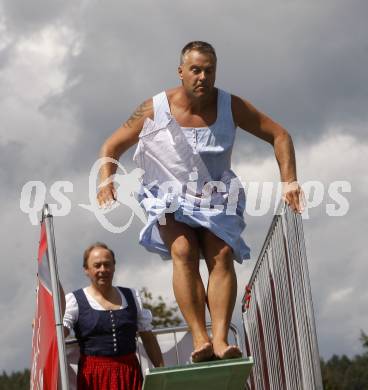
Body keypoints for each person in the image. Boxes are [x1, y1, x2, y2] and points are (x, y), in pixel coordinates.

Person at [97, 41, 303, 363]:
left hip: (215, 196)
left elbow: (280, 135)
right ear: (181, 72)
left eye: (209, 70)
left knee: (220, 254)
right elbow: (112, 146)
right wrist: (105, 179)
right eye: (195, 70)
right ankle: (199, 338)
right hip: (165, 195)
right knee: (183, 250)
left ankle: (220, 339)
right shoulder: (155, 108)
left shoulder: (230, 106)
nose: (203, 77)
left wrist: (289, 181)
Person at [62, 242, 164, 390]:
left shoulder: (132, 296)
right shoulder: (74, 300)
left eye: (107, 264)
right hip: (94, 376)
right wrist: (46, 325)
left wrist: (161, 371)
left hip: (129, 372)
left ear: (114, 266)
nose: (103, 269)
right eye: (97, 265)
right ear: (86, 270)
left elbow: (147, 337)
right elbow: (61, 332)